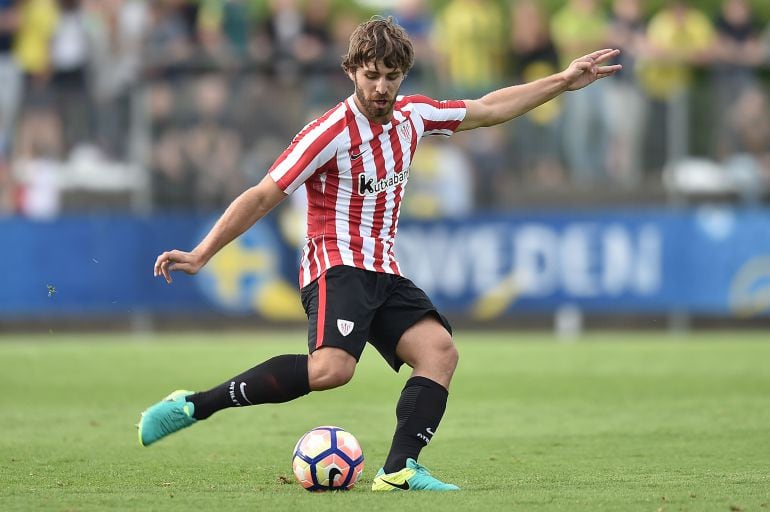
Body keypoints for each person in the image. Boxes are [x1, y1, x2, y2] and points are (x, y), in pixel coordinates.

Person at [138, 16, 620, 491]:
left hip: (383, 269)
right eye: (371, 76)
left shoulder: (414, 115)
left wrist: (563, 81)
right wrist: (202, 254)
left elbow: (489, 108)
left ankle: (398, 470)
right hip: (335, 265)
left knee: (439, 352)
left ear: (403, 75)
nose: (381, 87)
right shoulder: (327, 132)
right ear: (351, 72)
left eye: (391, 76)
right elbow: (263, 194)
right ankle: (195, 405)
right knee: (333, 371)